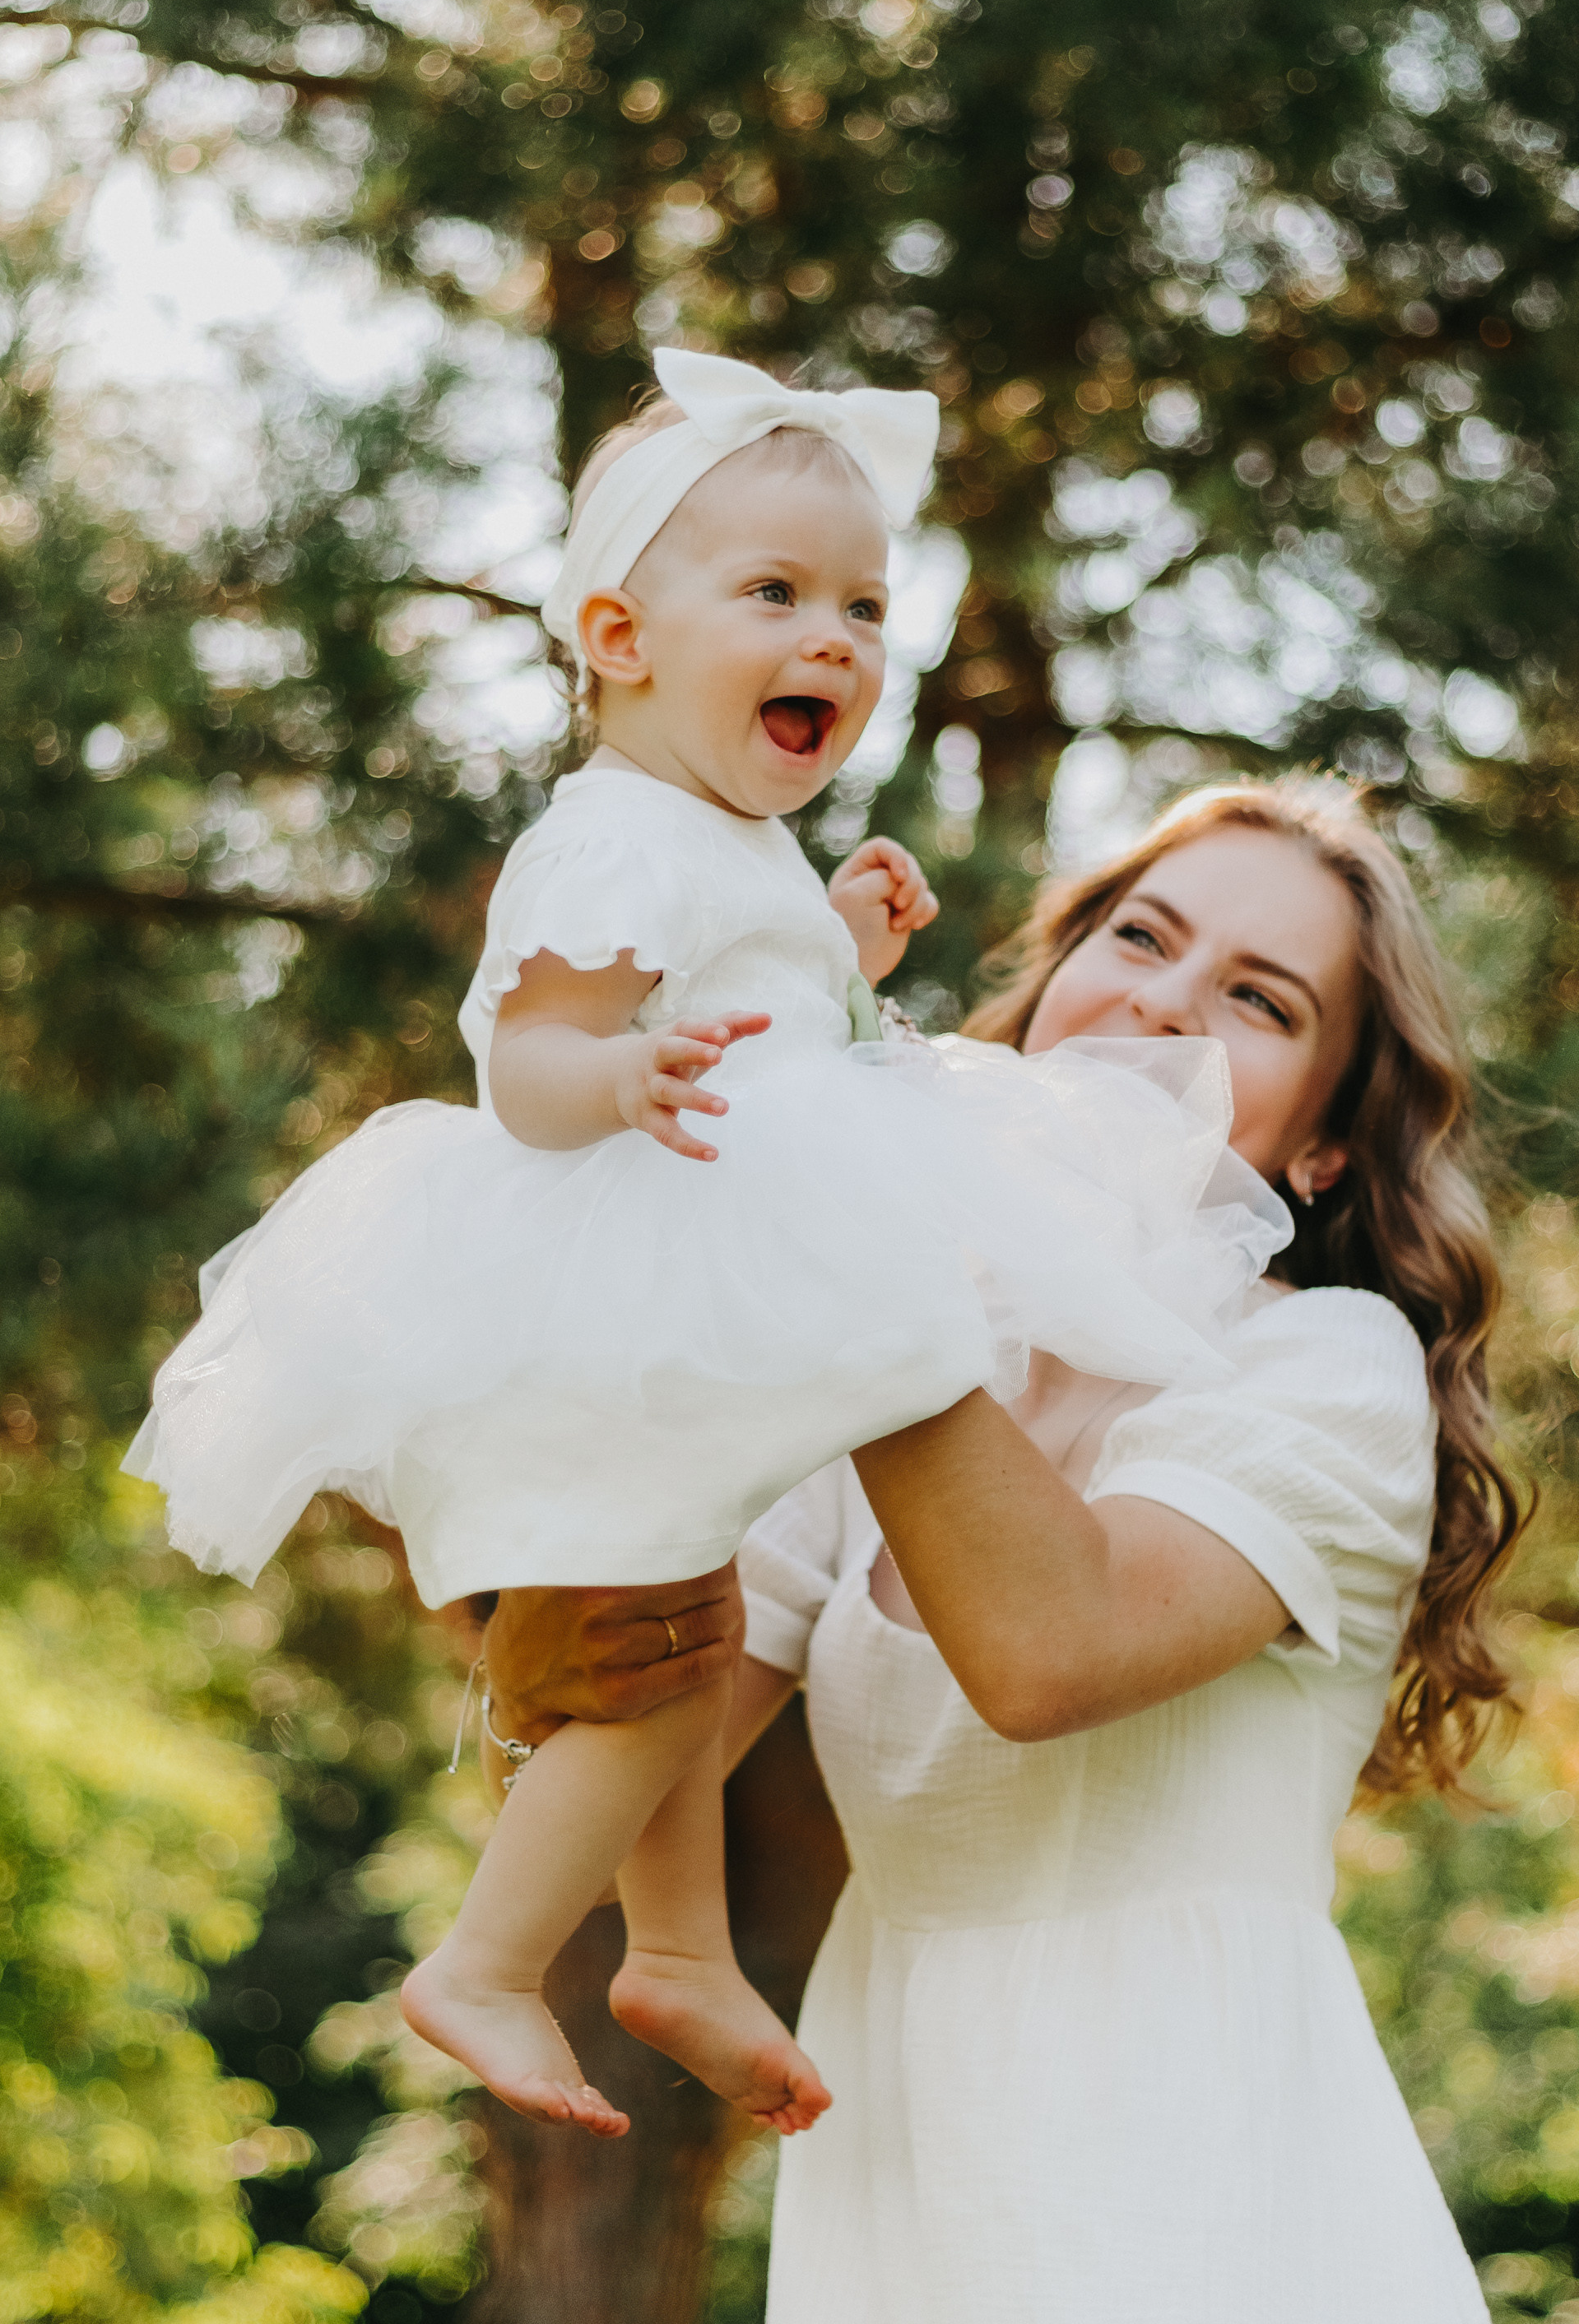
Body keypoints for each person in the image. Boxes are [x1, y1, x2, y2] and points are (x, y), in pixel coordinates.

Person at [121, 350, 1288, 2148]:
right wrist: (615, 1068)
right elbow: (522, 1063)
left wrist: (834, 943)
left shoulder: (728, 844)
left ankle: (675, 1951)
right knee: (656, 1645)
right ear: (618, 638)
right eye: (773, 594)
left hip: (697, 1287)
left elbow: (766, 1009)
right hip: (621, 1283)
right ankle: (494, 1961)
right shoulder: (608, 842)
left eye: (862, 606)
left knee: (691, 1623)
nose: (832, 636)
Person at [480, 775, 1522, 2322]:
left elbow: (1051, 1650)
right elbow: (646, 1748)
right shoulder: (909, 1359)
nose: (1163, 1004)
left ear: (1324, 1151)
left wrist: (842, 1210)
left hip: (1197, 2171)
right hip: (898, 2157)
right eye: (1139, 937)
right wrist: (535, 1668)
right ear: (1051, 992)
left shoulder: (1327, 1367)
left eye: (1259, 999)